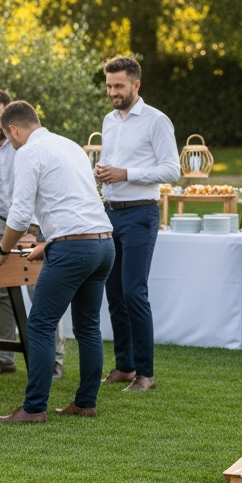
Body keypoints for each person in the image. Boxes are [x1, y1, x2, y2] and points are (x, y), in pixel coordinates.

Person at [0, 101, 114, 422]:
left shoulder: (28, 152)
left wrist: (2, 251)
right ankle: (85, 403)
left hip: (74, 250)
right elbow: (74, 202)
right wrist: (48, 243)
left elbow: (18, 213)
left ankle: (33, 409)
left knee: (40, 325)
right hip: (103, 244)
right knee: (88, 327)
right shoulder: (69, 145)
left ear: (14, 129)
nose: (11, 143)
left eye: (8, 136)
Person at [0, 89, 67, 378]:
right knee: (2, 293)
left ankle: (54, 360)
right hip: (1, 221)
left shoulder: (28, 141)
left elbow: (37, 192)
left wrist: (32, 231)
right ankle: (4, 359)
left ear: (9, 117)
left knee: (41, 292)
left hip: (35, 223)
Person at [94, 56, 180, 393]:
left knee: (134, 291)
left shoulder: (157, 121)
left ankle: (146, 374)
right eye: (109, 86)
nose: (113, 92)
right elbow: (115, 165)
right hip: (110, 212)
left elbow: (172, 170)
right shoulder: (109, 121)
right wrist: (103, 172)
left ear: (136, 85)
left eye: (119, 86)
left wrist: (126, 174)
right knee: (113, 291)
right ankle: (125, 366)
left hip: (141, 214)